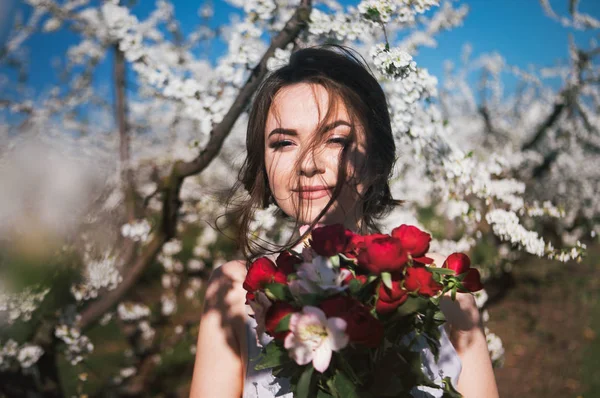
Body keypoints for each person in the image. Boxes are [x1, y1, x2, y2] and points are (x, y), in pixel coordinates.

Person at [189, 45, 499, 398]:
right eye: (284, 142)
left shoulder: (441, 289)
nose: (307, 164)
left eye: (335, 139)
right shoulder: (235, 289)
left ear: (377, 161)